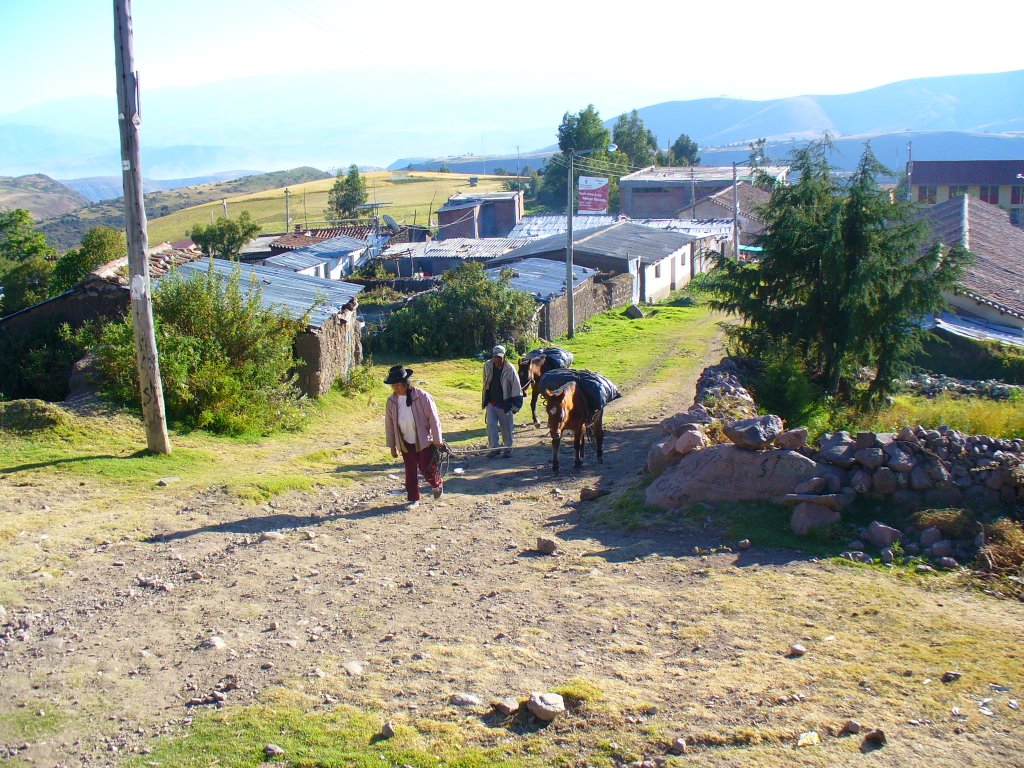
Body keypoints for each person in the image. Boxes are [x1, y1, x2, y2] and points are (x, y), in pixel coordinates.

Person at [383, 365, 444, 508]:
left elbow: (433, 419)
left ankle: (437, 483)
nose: (395, 388)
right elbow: (389, 425)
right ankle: (413, 499)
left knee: (426, 467)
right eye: (393, 385)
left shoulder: (422, 396)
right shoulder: (392, 401)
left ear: (405, 384)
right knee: (410, 471)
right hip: (405, 441)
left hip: (423, 440)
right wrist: (392, 446)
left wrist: (437, 440)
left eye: (397, 385)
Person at [481, 344, 523, 458]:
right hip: (491, 402)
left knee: (506, 427)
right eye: (495, 357)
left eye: (499, 357)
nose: (497, 359)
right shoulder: (487, 366)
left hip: (505, 403)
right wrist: (485, 399)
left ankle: (507, 448)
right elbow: (485, 383)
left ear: (504, 356)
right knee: (491, 425)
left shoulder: (510, 369)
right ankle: (494, 448)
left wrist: (516, 405)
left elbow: (516, 387)